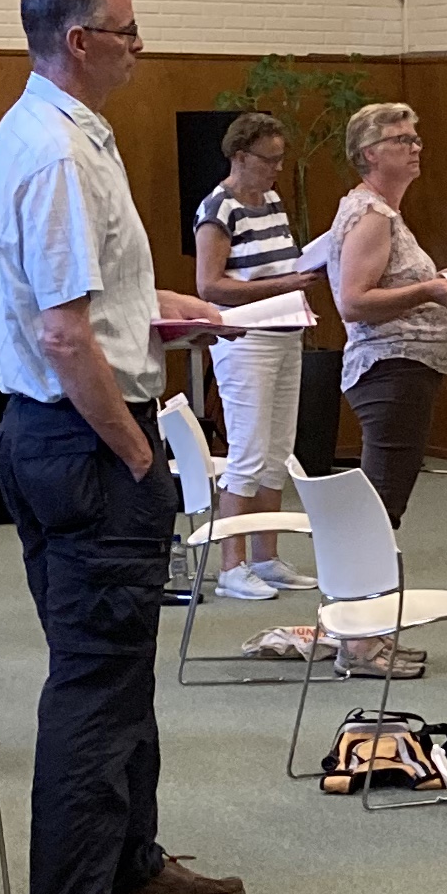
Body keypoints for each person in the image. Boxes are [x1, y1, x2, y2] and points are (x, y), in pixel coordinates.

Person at [0, 0, 247, 894]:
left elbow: (94, 303)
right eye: (128, 30)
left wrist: (171, 310)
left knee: (120, 668)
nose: (142, 46)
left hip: (62, 434)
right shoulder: (58, 152)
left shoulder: (57, 131)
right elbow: (62, 336)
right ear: (79, 39)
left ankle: (129, 861)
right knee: (96, 679)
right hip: (87, 444)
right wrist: (137, 451)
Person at [190, 111, 325, 598]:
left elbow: (276, 264)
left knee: (276, 453)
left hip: (286, 331)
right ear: (240, 157)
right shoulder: (218, 208)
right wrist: (285, 285)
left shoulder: (270, 200)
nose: (277, 168)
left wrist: (303, 274)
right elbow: (209, 286)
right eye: (269, 160)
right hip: (246, 339)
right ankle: (232, 566)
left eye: (280, 159)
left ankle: (266, 558)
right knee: (246, 452)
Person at [326, 99, 447, 525]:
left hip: (400, 370)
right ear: (370, 152)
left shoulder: (383, 212)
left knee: (384, 498)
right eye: (402, 140)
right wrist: (428, 290)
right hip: (390, 367)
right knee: (382, 504)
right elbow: (353, 302)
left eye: (415, 138)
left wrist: (434, 281)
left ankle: (365, 566)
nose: (415, 147)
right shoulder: (372, 214)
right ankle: (362, 570)